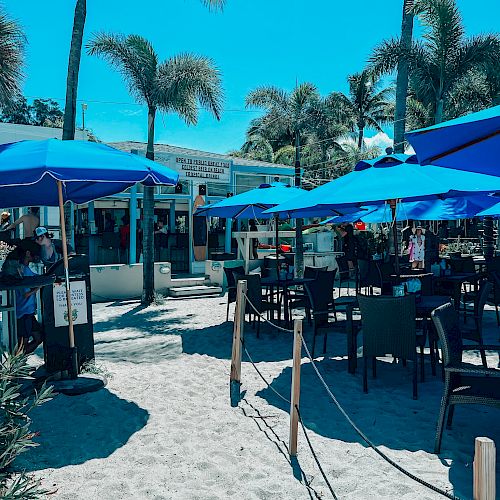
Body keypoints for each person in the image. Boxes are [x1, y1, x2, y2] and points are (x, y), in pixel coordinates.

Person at [2, 244, 44, 354]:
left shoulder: (25, 268)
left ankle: (21, 361)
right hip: (23, 312)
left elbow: (33, 277)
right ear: (28, 253)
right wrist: (38, 286)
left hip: (28, 312)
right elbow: (25, 294)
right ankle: (20, 364)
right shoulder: (20, 269)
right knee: (22, 343)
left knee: (38, 337)